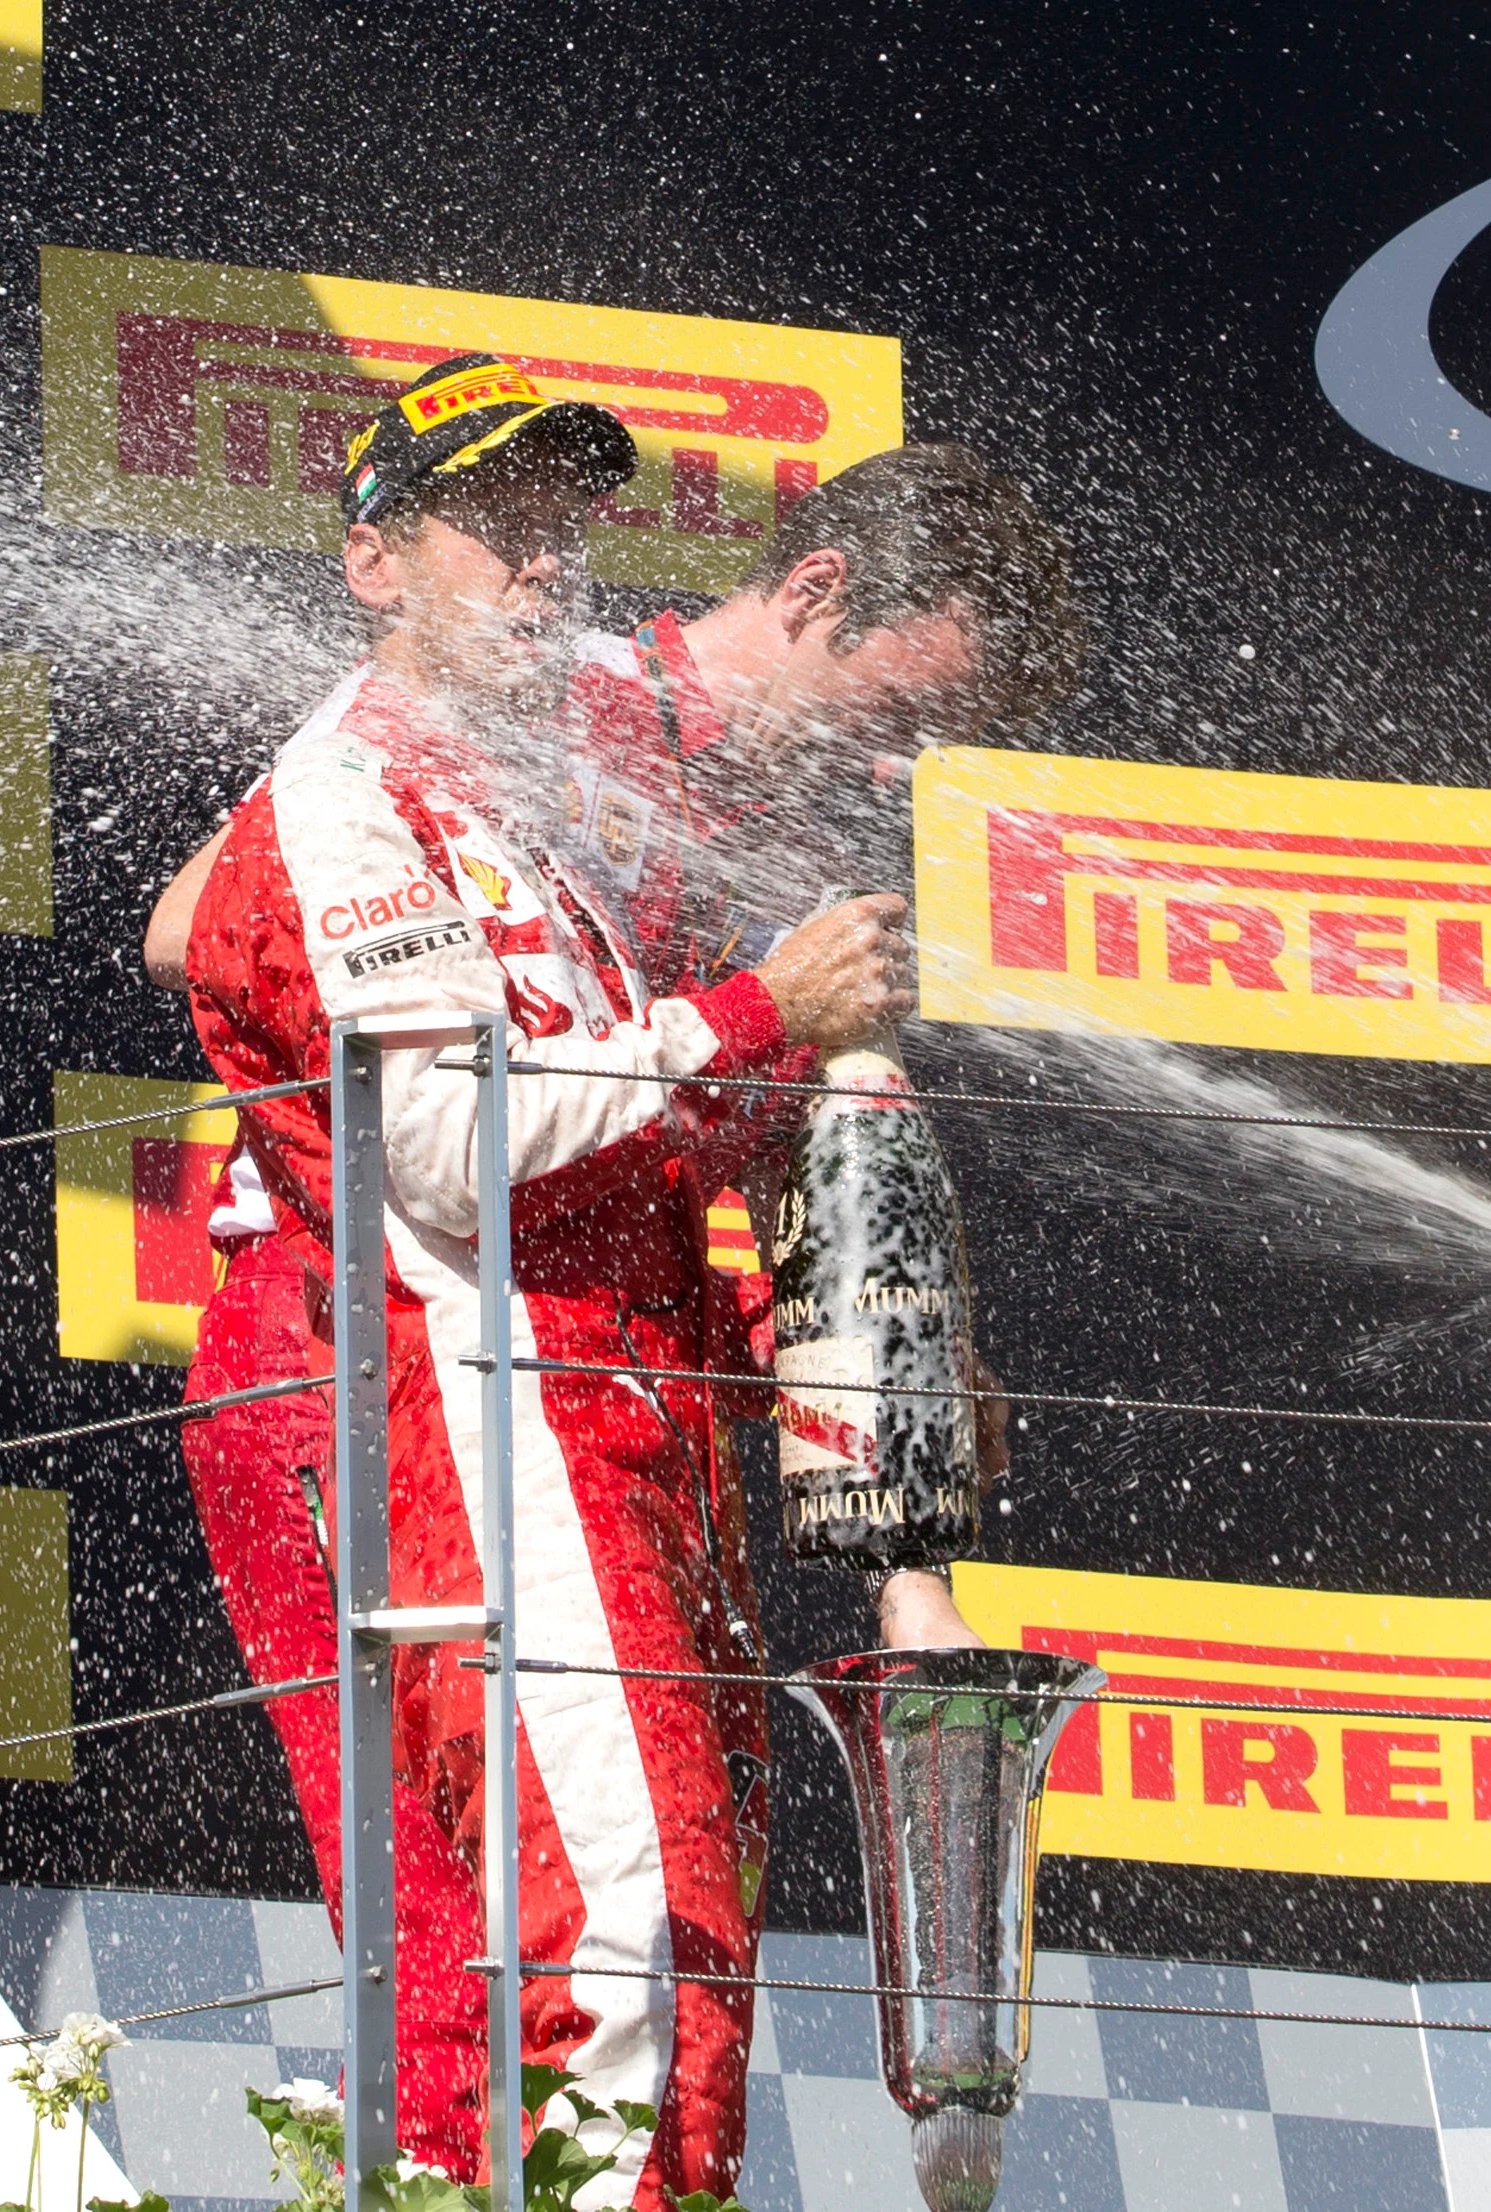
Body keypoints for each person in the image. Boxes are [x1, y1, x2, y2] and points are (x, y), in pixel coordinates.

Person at [168, 359, 1065, 2205]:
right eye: (901, 710)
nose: (899, 769)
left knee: (585, 1915)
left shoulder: (642, 791)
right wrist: (361, 1119)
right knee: (564, 1922)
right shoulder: (517, 726)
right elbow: (215, 927)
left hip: (591, 1350)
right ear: (815, 598)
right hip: (369, 1335)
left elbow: (684, 1145)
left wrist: (869, 1402)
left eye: (565, 533)